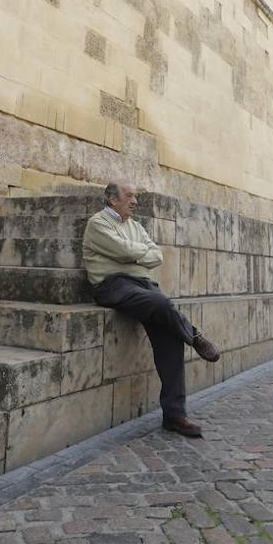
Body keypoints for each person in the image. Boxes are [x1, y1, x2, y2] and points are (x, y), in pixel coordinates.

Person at [83, 182, 221, 437]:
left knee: (170, 336)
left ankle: (175, 415)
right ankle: (195, 336)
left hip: (143, 285)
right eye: (129, 196)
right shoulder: (98, 223)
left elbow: (156, 255)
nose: (135, 201)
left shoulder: (135, 226)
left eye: (136, 196)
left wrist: (134, 255)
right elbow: (123, 251)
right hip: (112, 285)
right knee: (161, 303)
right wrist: (135, 254)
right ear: (113, 200)